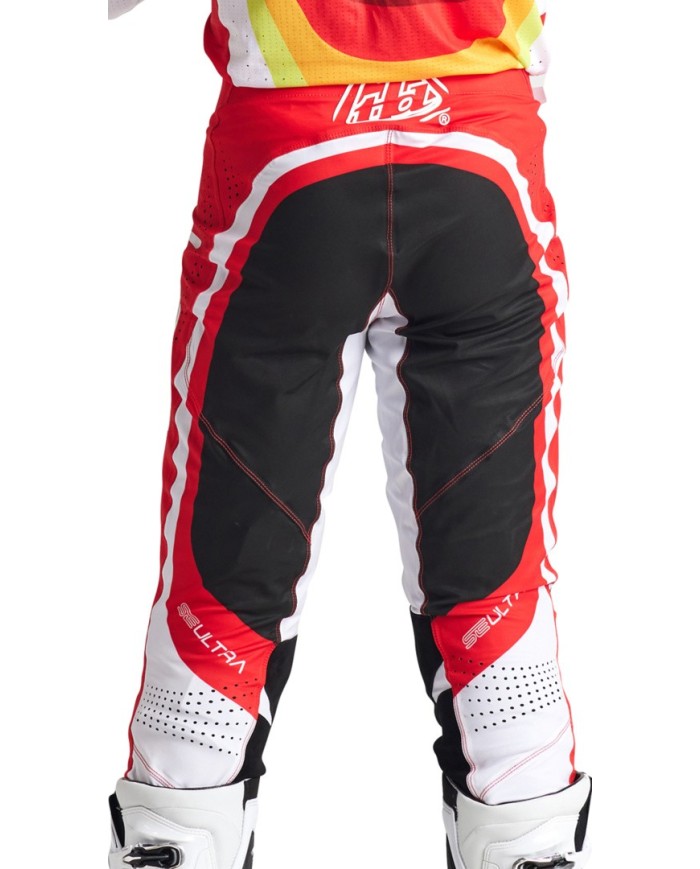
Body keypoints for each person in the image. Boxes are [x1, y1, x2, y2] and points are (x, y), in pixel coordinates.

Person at [106, 2, 592, 867]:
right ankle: (528, 840)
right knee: (497, 602)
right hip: (481, 153)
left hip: (287, 159)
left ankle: (176, 837)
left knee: (220, 596)